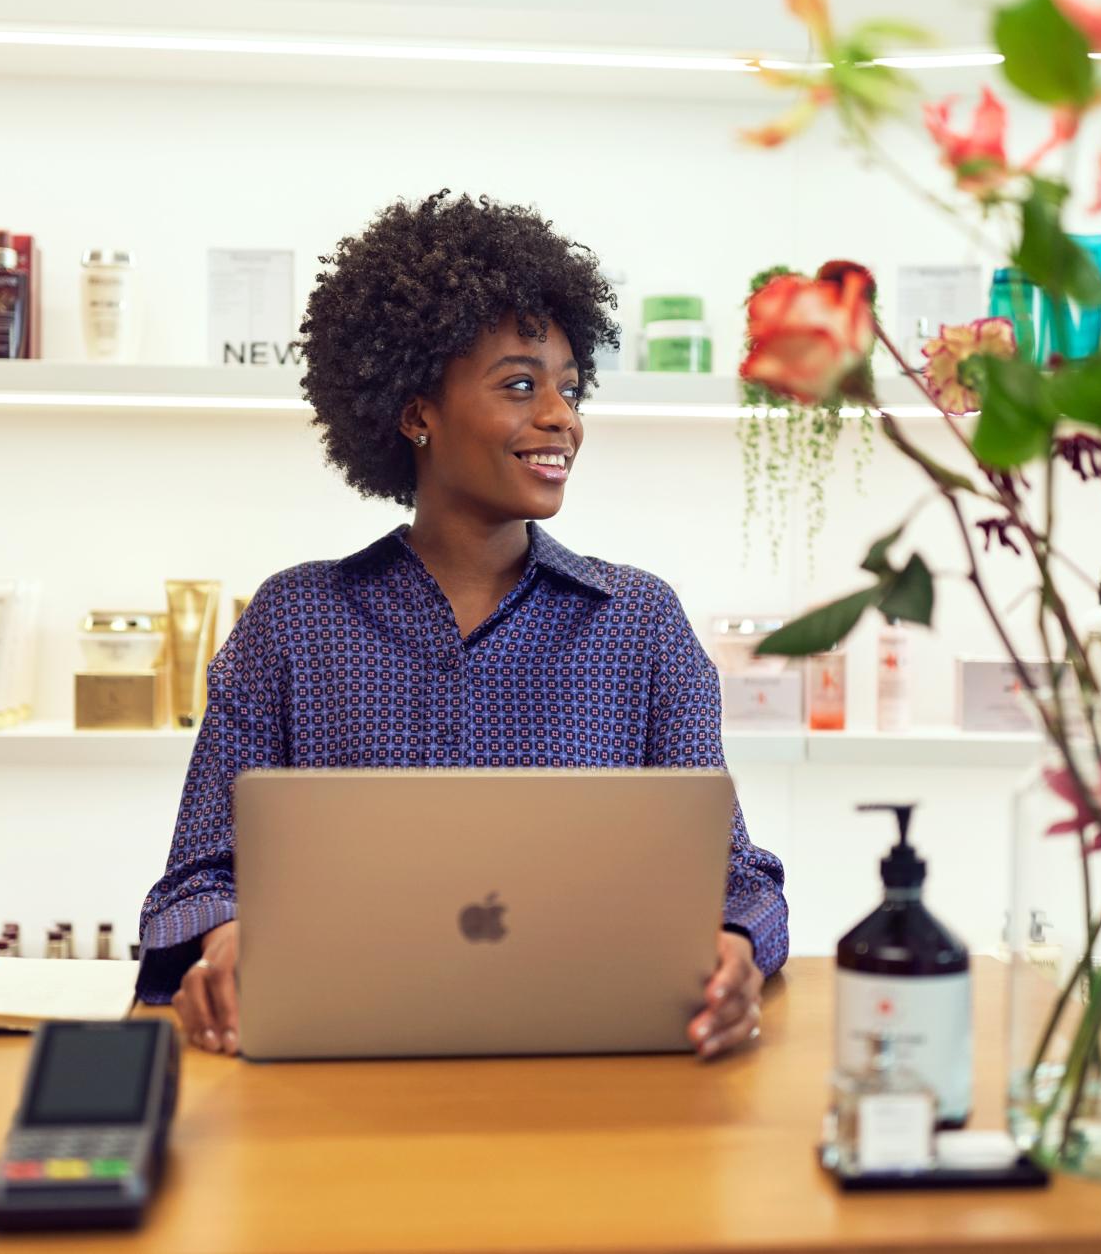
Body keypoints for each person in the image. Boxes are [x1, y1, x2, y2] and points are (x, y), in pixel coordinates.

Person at [136, 191, 788, 1059]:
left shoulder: (640, 625)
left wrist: (737, 948)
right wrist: (224, 941)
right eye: (520, 385)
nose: (562, 417)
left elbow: (736, 878)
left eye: (570, 387)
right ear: (416, 415)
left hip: (598, 1073)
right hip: (337, 1074)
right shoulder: (292, 625)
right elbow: (195, 880)